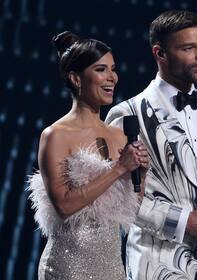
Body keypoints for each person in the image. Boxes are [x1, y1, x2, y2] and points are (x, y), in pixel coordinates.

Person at [105, 10, 197, 280]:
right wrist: (184, 222)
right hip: (158, 264)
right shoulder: (127, 114)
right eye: (188, 48)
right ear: (160, 53)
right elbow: (119, 201)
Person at [27, 31, 149, 280]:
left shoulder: (118, 135)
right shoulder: (56, 135)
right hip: (68, 267)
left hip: (112, 266)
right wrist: (118, 169)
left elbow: (131, 210)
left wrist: (141, 175)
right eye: (101, 69)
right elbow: (64, 205)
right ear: (76, 78)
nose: (112, 77)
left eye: (113, 69)